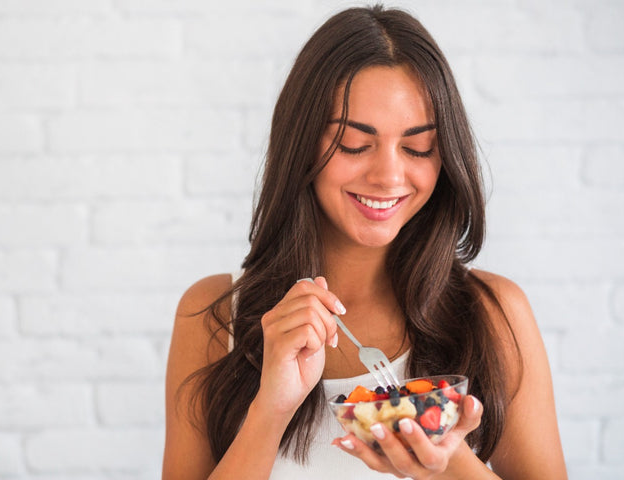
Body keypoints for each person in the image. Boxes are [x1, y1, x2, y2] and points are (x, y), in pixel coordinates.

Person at [163, 5, 566, 479]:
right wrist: (270, 411)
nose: (389, 176)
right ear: (302, 143)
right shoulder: (215, 316)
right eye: (355, 144)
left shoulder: (496, 313)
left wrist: (449, 463)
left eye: (418, 148)